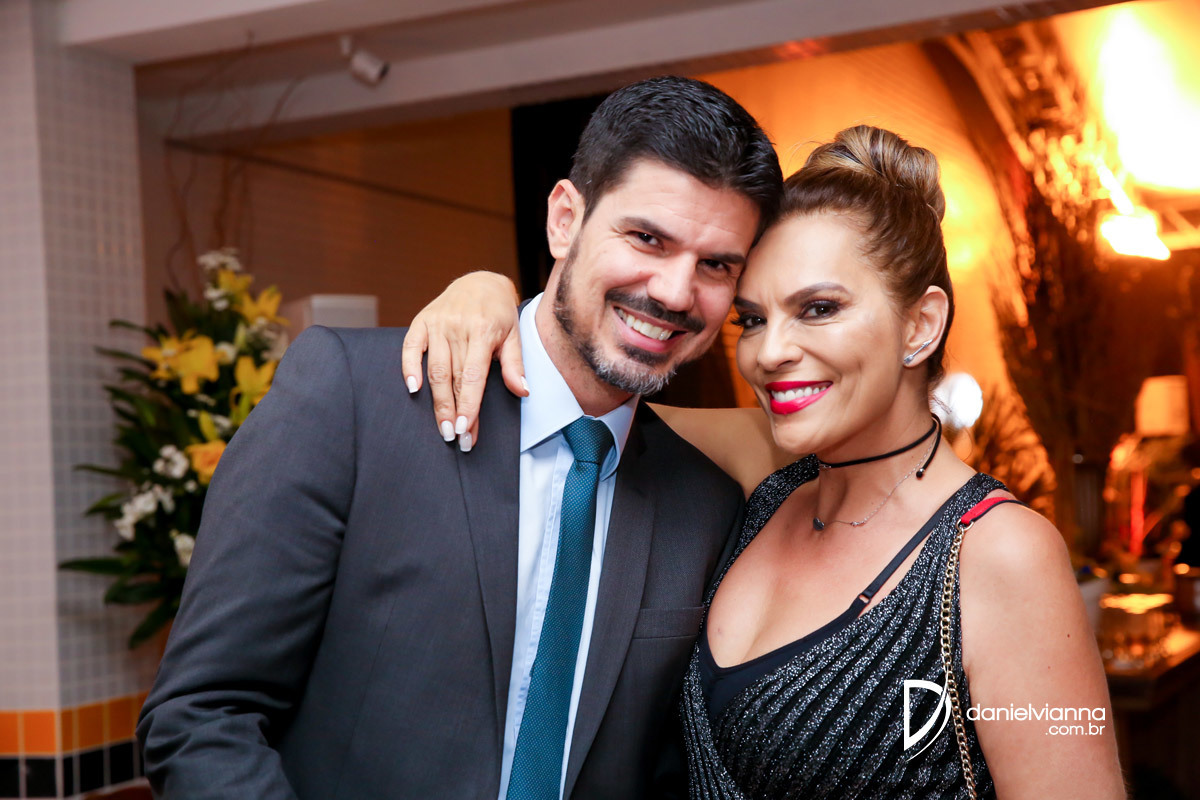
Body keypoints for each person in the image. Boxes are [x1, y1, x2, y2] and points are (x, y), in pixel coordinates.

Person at [405, 126, 1127, 798]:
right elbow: (575, 393)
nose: (770, 352)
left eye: (819, 308)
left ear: (920, 324)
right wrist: (488, 297)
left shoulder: (1002, 552)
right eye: (752, 319)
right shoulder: (766, 470)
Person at [136, 76, 783, 799]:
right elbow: (202, 714)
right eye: (647, 238)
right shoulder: (356, 401)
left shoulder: (703, 504)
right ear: (564, 220)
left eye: (715, 265)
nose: (673, 292)